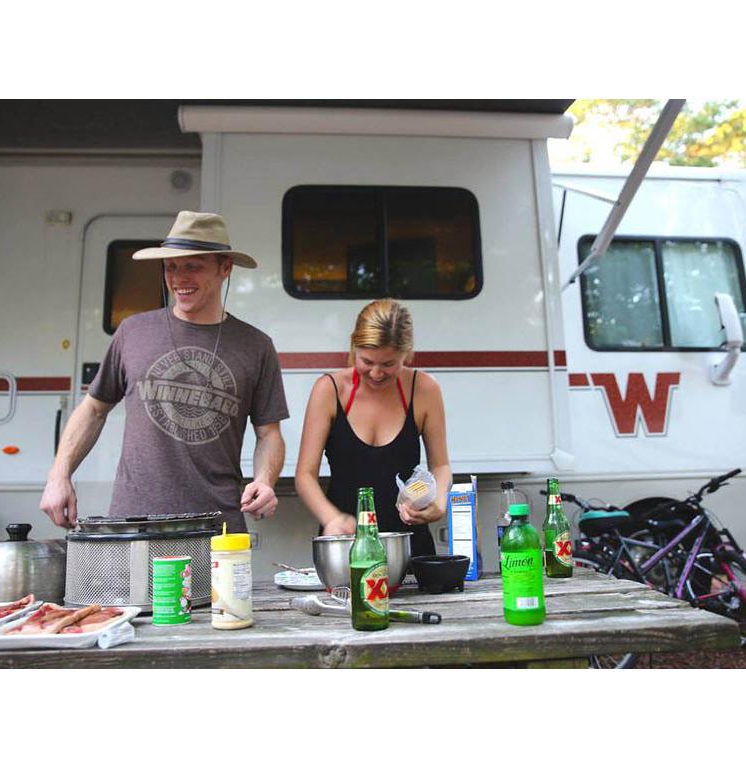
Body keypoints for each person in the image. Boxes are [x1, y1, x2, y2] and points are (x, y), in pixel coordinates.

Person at [40, 211, 289, 533]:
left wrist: (265, 481)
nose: (179, 278)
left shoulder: (255, 345)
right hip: (135, 522)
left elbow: (269, 434)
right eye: (171, 266)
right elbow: (93, 409)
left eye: (193, 266)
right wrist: (59, 475)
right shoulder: (133, 332)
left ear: (225, 268)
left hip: (217, 526)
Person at [295, 299, 452, 557]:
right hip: (347, 544)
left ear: (406, 354)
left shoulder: (424, 389)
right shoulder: (330, 390)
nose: (377, 373)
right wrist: (332, 518)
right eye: (367, 361)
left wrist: (438, 502)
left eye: (388, 364)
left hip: (408, 544)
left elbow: (441, 466)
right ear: (353, 348)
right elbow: (305, 475)